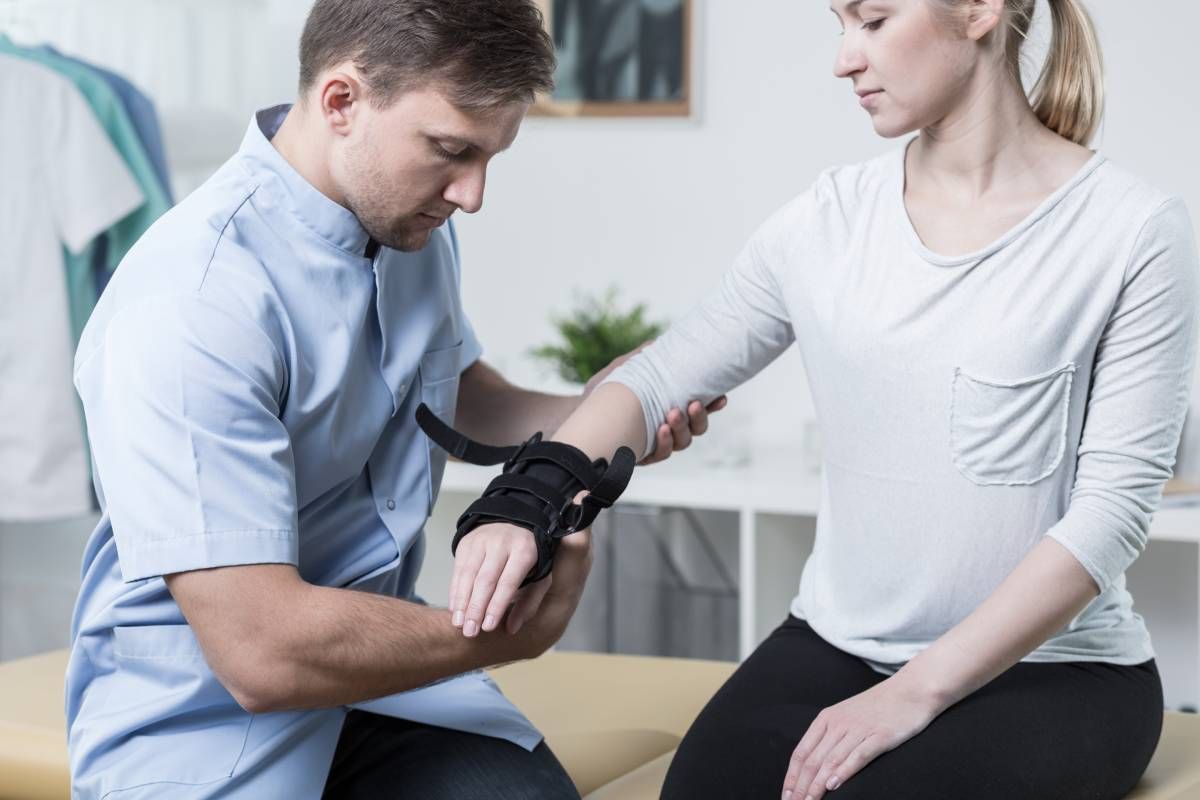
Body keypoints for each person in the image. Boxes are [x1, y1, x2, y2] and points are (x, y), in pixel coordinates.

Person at [448, 0, 1200, 797]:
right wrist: (525, 498)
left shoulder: (1130, 231)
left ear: (980, 10)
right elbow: (657, 377)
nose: (845, 59)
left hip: (1060, 670)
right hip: (834, 644)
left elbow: (1111, 515)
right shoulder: (826, 223)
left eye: (872, 21)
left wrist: (910, 694)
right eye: (838, 25)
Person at [64, 1, 722, 798]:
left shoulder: (409, 224)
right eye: (451, 150)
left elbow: (455, 396)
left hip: (379, 688)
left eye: (490, 157)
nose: (472, 194)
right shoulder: (194, 303)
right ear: (342, 101)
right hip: (211, 721)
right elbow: (261, 653)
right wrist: (506, 635)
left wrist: (601, 417)